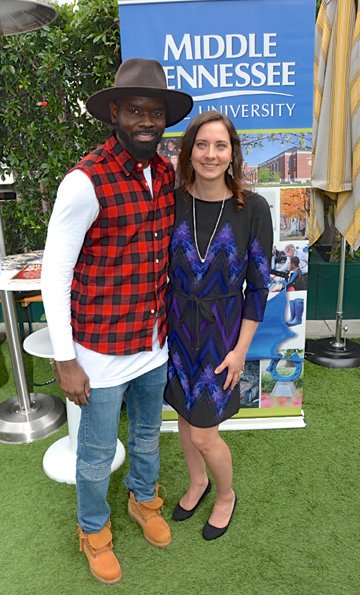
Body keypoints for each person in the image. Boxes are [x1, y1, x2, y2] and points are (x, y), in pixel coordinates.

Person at [41, 58, 192, 585]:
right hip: (100, 350)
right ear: (114, 113)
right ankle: (93, 529)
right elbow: (56, 272)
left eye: (155, 112)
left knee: (149, 434)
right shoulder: (84, 181)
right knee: (96, 452)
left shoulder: (166, 172)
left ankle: (143, 501)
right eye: (135, 111)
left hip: (153, 342)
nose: (146, 121)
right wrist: (66, 359)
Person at [164, 111, 273, 540]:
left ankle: (225, 494)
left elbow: (259, 287)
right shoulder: (172, 201)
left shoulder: (253, 208)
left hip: (223, 334)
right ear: (189, 151)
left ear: (232, 154)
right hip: (177, 332)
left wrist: (240, 349)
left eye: (220, 146)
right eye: (202, 145)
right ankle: (198, 482)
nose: (210, 154)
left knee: (207, 433)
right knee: (185, 421)